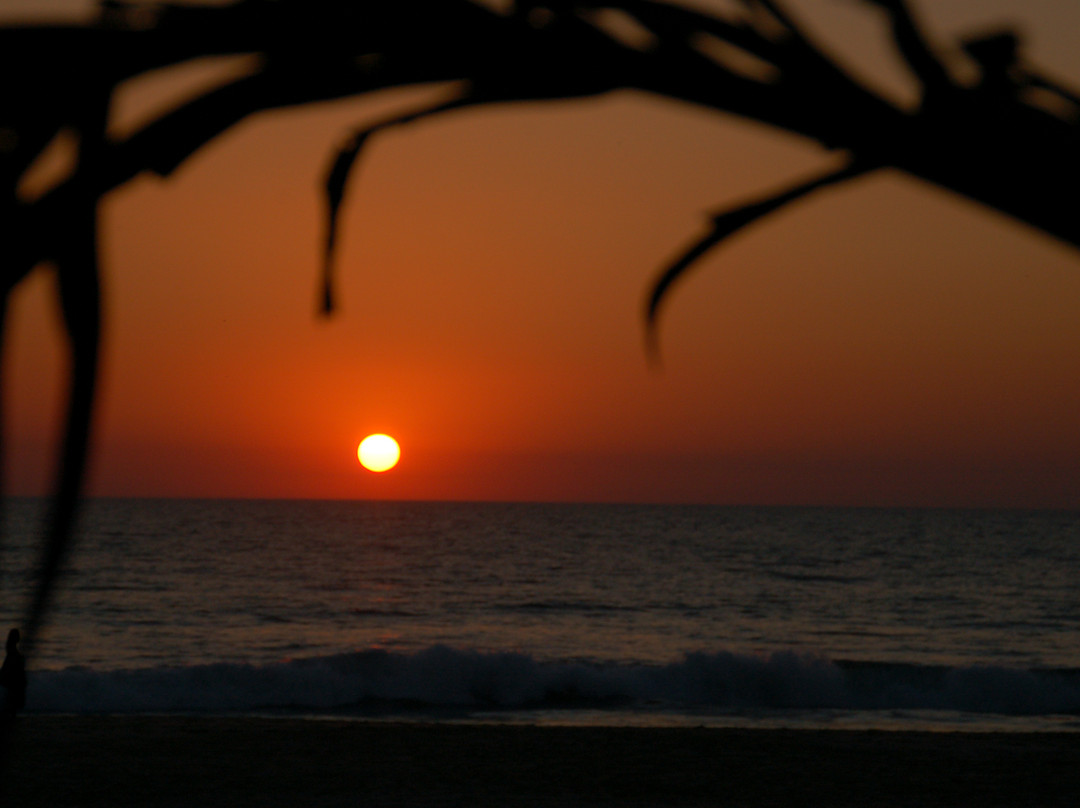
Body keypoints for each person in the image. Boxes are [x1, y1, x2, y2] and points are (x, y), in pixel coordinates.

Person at [0, 628, 26, 722]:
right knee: (12, 700)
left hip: (11, 677)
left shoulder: (10, 649)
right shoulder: (13, 652)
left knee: (10, 700)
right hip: (13, 677)